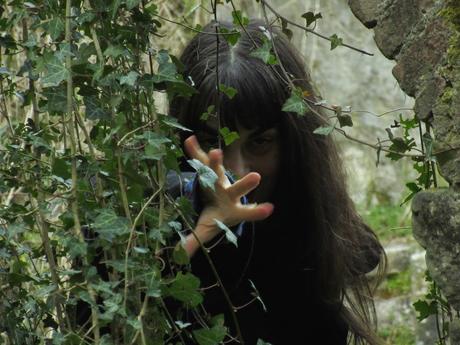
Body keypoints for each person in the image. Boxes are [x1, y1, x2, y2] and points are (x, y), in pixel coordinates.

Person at [167, 18, 386, 345]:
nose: (237, 171)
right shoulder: (151, 226)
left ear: (293, 142)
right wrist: (198, 246)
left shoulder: (312, 225)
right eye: (213, 144)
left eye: (260, 142)